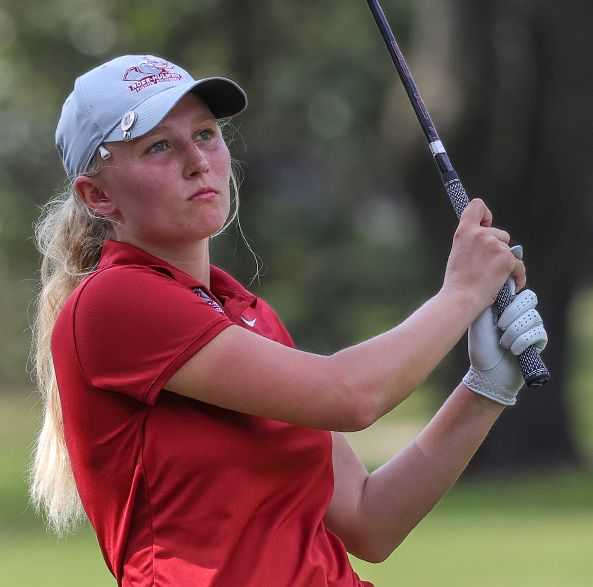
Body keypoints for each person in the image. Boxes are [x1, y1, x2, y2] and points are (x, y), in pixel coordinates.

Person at [30, 54, 547, 587]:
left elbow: (369, 521)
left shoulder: (245, 315)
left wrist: (483, 391)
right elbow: (350, 396)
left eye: (205, 133)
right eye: (158, 146)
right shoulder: (113, 300)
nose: (196, 161)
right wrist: (462, 292)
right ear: (98, 196)